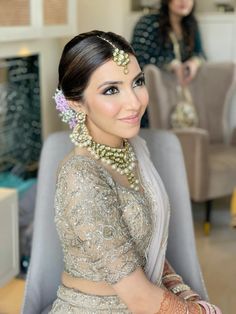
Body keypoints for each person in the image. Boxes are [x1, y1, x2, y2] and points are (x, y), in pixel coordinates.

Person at [50, 30, 220, 313]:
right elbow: (140, 298)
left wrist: (182, 291)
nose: (135, 102)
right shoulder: (81, 177)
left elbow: (144, 243)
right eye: (111, 89)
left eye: (137, 82)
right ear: (76, 102)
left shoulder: (132, 150)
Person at [131, 0, 205, 127]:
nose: (184, 1)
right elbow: (137, 58)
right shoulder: (148, 23)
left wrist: (194, 62)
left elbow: (200, 54)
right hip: (152, 93)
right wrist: (169, 64)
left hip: (181, 92)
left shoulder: (191, 25)